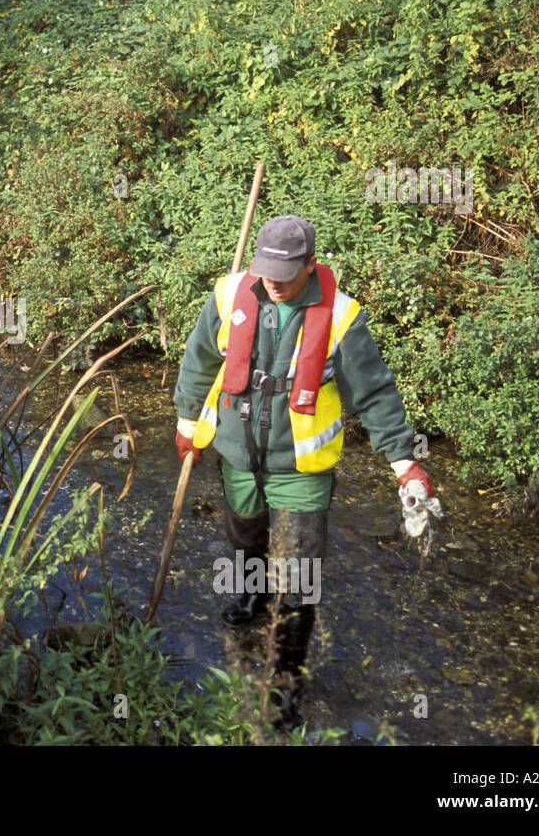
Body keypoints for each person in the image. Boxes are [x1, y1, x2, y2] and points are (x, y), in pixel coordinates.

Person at [172, 214, 441, 730]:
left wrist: (404, 462)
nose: (273, 281)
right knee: (243, 541)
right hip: (236, 453)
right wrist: (187, 420)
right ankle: (249, 599)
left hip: (300, 465)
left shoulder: (341, 317)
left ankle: (286, 683)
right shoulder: (230, 295)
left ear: (311, 264)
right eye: (267, 268)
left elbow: (376, 393)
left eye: (286, 272)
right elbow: (200, 357)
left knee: (297, 578)